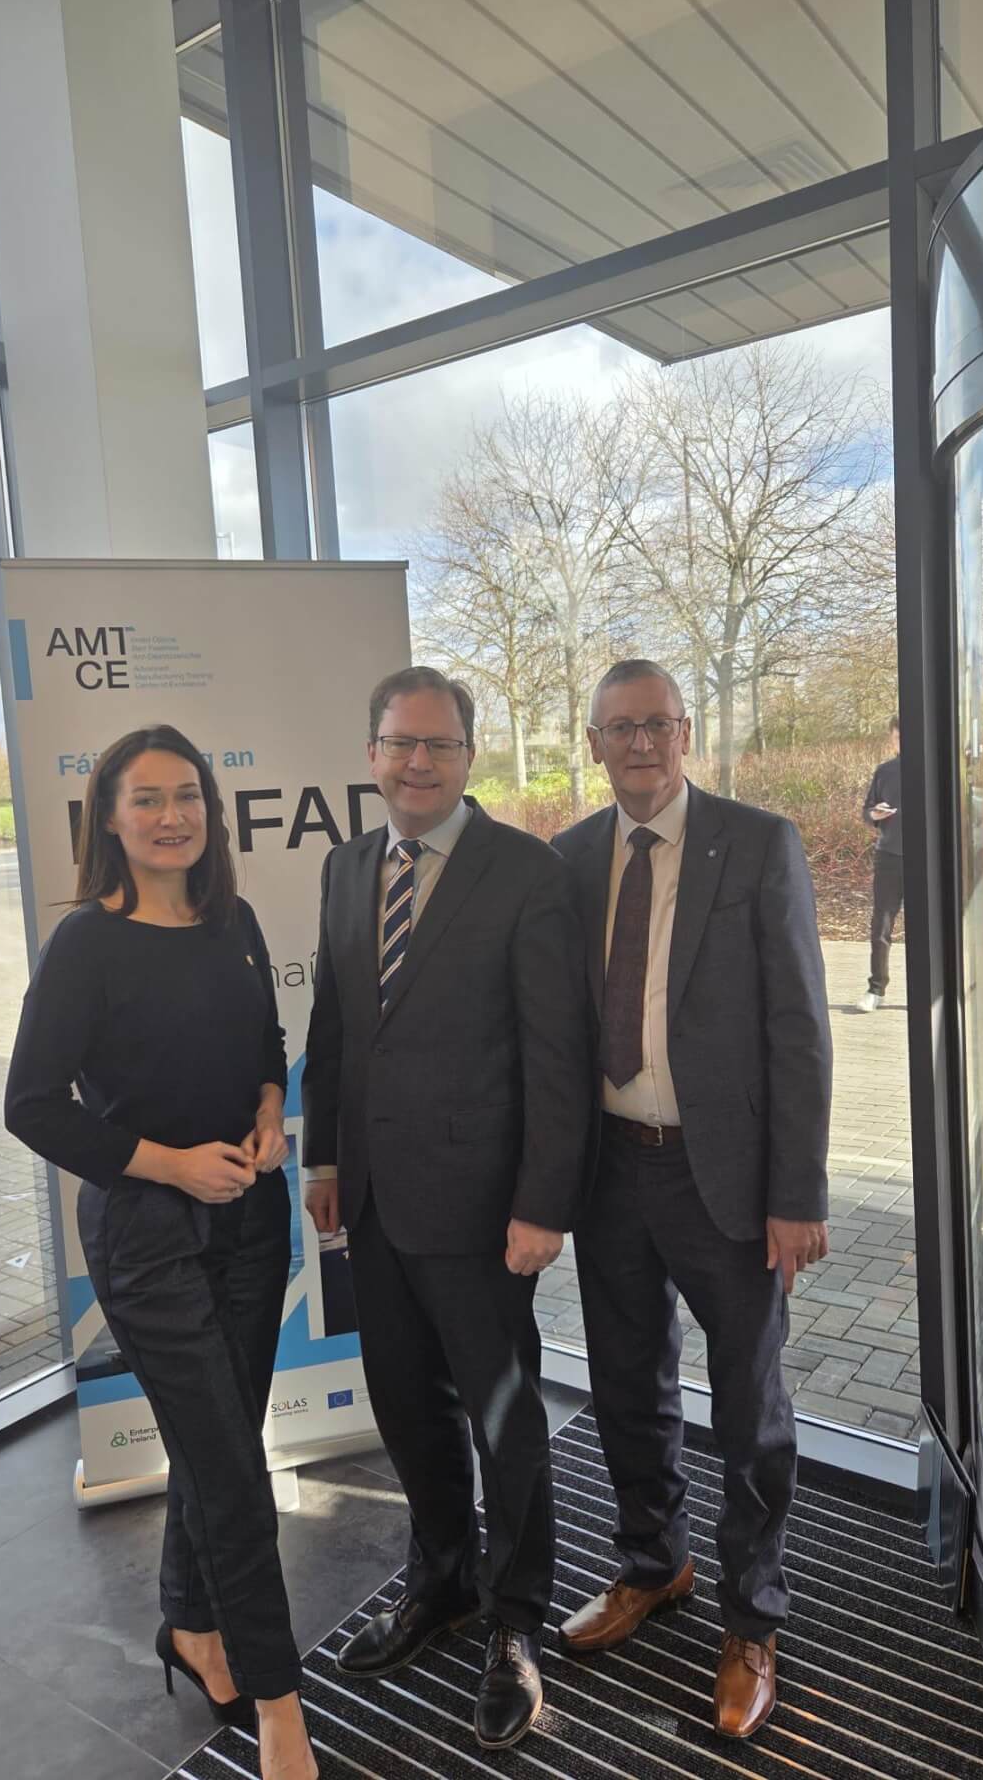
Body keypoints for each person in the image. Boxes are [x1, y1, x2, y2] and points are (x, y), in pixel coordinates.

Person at [4, 724, 315, 1780]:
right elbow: (32, 1107)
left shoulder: (233, 920)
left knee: (215, 1441)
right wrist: (170, 1166)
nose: (172, 815)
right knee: (234, 1473)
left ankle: (190, 1625)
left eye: (187, 796)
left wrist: (272, 1110)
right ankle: (282, 1707)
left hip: (251, 1222)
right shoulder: (86, 943)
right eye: (147, 800)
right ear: (111, 818)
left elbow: (267, 1045)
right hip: (148, 1235)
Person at [301, 666, 591, 1752]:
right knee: (406, 1410)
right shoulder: (344, 867)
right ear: (372, 752)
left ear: (471, 755)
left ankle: (515, 1624)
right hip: (372, 1203)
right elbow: (334, 1028)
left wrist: (541, 1205)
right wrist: (323, 1158)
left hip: (483, 1213)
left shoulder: (525, 871)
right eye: (397, 743)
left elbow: (556, 1059)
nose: (416, 763)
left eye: (438, 744)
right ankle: (443, 1583)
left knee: (504, 1419)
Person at [551, 659, 832, 1741]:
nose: (640, 744)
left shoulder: (758, 844)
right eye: (618, 728)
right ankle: (651, 1565)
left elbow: (800, 1029)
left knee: (750, 1410)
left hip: (728, 1178)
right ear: (593, 743)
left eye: (657, 724)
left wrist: (796, 1191)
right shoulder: (571, 860)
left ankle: (752, 1620)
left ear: (685, 733)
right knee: (627, 1385)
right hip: (612, 1169)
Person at [858, 714, 902, 1012]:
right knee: (881, 925)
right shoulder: (884, 771)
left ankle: (929, 991)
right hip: (888, 856)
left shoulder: (934, 766)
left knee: (928, 928)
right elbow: (866, 811)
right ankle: (876, 989)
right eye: (897, 736)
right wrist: (875, 814)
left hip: (926, 859)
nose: (900, 741)